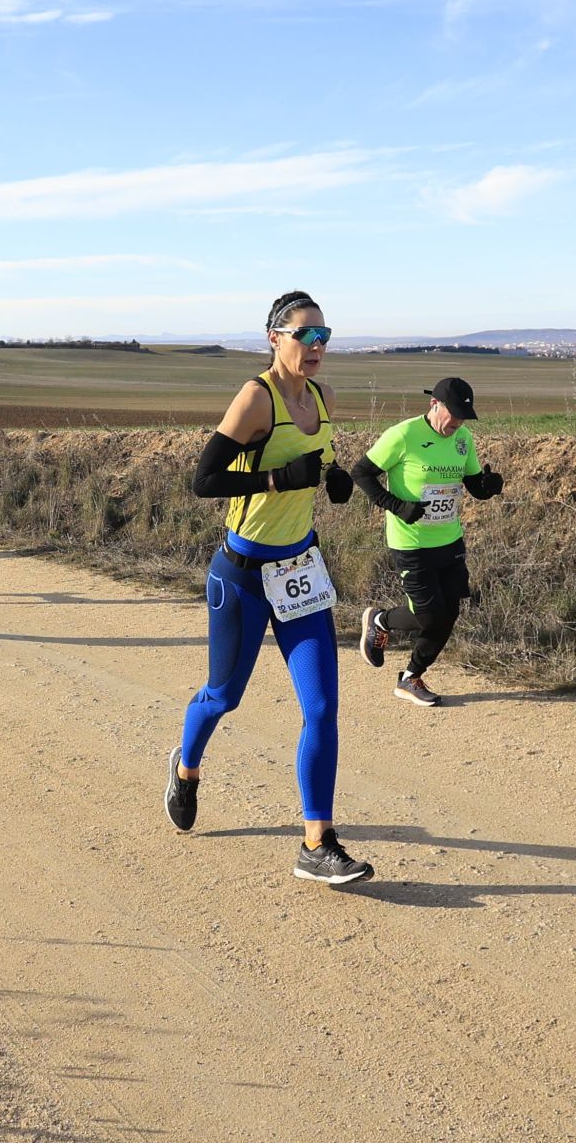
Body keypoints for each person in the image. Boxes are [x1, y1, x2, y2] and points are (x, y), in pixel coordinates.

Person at [165, 290, 371, 886]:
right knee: (223, 696)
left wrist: (330, 480)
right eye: (305, 335)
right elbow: (204, 480)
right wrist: (281, 477)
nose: (317, 346)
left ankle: (317, 841)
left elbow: (322, 461)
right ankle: (186, 767)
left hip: (300, 572)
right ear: (274, 338)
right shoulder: (257, 397)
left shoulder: (325, 398)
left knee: (324, 707)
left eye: (324, 335)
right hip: (242, 575)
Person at [352, 377, 505, 706]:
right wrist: (396, 505)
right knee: (429, 616)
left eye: (465, 416)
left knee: (449, 613)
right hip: (411, 542)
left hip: (449, 540)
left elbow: (474, 485)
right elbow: (361, 473)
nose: (459, 422)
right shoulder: (403, 435)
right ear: (434, 405)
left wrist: (489, 485)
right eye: (454, 414)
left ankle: (410, 678)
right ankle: (380, 620)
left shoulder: (463, 438)